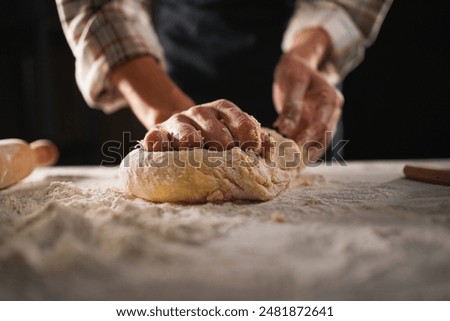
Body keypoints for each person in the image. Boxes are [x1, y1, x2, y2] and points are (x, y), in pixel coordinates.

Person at [56, 0, 392, 161]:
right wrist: (165, 109)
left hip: (300, 83)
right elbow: (98, 6)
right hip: (179, 67)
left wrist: (308, 51)